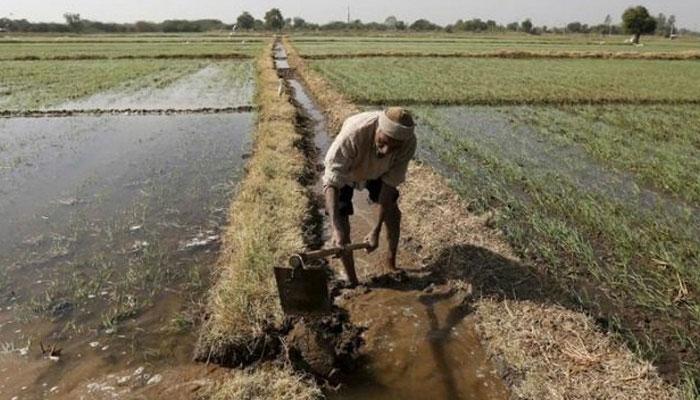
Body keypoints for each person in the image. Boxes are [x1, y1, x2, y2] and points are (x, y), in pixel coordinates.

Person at [323, 107, 417, 286]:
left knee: (393, 214)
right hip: (348, 170)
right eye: (384, 141)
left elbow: (388, 187)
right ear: (377, 129)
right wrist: (336, 228)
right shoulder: (353, 134)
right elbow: (331, 183)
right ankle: (353, 281)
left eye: (394, 146)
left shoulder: (408, 143)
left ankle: (390, 264)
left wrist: (376, 229)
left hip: (378, 172)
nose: (387, 150)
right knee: (342, 229)